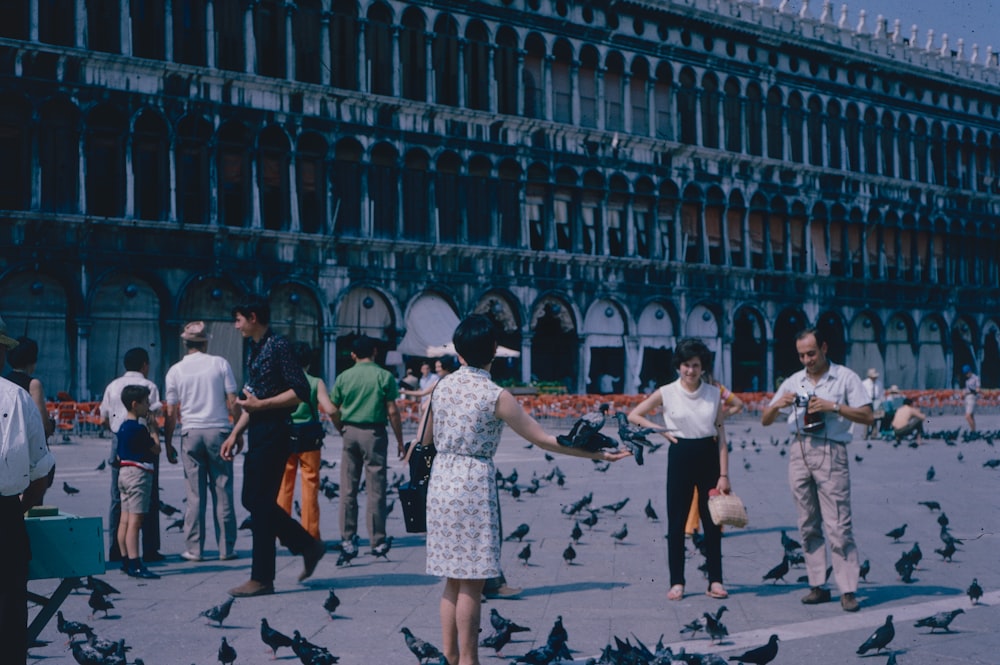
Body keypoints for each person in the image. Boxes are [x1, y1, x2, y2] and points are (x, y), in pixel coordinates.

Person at [422, 314, 630, 665]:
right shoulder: (495, 395)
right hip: (472, 483)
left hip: (442, 480)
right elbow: (545, 439)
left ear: (458, 353)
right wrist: (597, 454)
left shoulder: (440, 387)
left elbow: (424, 440)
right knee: (472, 582)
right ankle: (470, 662)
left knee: (451, 581)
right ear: (493, 351)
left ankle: (450, 657)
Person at [761, 327, 873, 613]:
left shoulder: (845, 377)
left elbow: (867, 415)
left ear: (824, 348)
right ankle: (817, 585)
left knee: (838, 523)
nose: (807, 360)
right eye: (801, 355)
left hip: (831, 449)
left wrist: (833, 406)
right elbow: (765, 419)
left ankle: (848, 589)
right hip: (800, 450)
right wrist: (780, 405)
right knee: (807, 522)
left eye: (811, 353)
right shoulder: (794, 381)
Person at [221, 295, 326, 597]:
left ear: (253, 317)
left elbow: (301, 391)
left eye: (239, 318)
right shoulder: (256, 349)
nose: (236, 324)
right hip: (258, 429)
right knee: (255, 501)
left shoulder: (278, 346)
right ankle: (307, 545)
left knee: (259, 502)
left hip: (276, 432)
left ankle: (263, 577)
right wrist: (234, 433)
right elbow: (250, 401)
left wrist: (261, 405)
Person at [628, 338, 731, 602]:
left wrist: (723, 474)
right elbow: (635, 415)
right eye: (686, 365)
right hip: (680, 455)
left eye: (695, 365)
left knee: (712, 524)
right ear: (678, 366)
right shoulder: (667, 391)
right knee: (676, 523)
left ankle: (715, 580)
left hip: (708, 455)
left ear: (702, 367)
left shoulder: (713, 393)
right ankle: (677, 582)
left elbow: (721, 435)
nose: (690, 371)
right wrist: (662, 432)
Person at [0, 319, 56, 665]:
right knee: (8, 610)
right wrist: (20, 509)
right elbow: (42, 469)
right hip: (5, 515)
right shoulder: (15, 397)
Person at [163, 321, 240, 562]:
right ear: (206, 341)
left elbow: (171, 412)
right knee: (223, 491)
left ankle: (194, 549)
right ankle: (226, 548)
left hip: (192, 433)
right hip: (219, 431)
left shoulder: (175, 370)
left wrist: (168, 443)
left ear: (185, 343)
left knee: (195, 495)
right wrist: (237, 431)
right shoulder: (220, 363)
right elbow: (233, 402)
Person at [329, 335, 404, 556]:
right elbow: (392, 411)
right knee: (376, 489)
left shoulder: (344, 377)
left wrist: (340, 428)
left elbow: (332, 409)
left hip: (349, 432)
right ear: (375, 352)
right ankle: (377, 540)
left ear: (353, 355)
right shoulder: (384, 376)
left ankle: (347, 538)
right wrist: (400, 440)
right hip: (375, 433)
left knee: (348, 488)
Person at [100, 347, 174, 563]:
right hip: (143, 439)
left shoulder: (112, 386)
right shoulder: (148, 386)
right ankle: (150, 548)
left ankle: (116, 549)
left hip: (119, 440)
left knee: (118, 497)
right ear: (145, 365)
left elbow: (104, 417)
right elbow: (156, 412)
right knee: (149, 494)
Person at [277, 342, 335, 541]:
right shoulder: (315, 381)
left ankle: (283, 531)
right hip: (309, 437)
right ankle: (310, 532)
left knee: (284, 484)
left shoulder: (283, 381)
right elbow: (329, 408)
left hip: (285, 435)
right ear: (309, 361)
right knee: (310, 484)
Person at [115, 385, 162, 579]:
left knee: (124, 519)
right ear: (135, 404)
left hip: (124, 473)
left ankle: (125, 559)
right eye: (146, 402)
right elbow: (156, 449)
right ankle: (136, 562)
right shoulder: (139, 429)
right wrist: (153, 429)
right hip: (138, 475)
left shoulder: (123, 427)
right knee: (136, 521)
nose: (148, 406)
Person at [685, 379, 742, 537]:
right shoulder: (717, 388)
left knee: (697, 487)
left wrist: (720, 415)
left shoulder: (693, 387)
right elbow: (738, 404)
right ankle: (717, 524)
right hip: (714, 442)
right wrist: (721, 416)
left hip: (699, 442)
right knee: (714, 487)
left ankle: (691, 527)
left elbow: (739, 404)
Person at [6, 336, 56, 503]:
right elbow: (43, 424)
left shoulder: (4, 382)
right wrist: (52, 425)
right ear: (32, 360)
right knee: (32, 505)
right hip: (28, 455)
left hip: (7, 454)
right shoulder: (33, 384)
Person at [861, 369, 884, 439]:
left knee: (875, 418)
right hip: (868, 401)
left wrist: (880, 401)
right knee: (867, 417)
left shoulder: (879, 383)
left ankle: (874, 434)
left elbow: (880, 393)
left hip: (876, 401)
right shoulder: (864, 383)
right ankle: (865, 434)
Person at [962, 365, 980, 432]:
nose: (966, 375)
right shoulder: (967, 380)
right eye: (965, 373)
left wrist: (973, 390)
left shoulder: (975, 378)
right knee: (971, 416)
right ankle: (974, 430)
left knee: (967, 416)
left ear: (970, 371)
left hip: (972, 397)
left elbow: (978, 389)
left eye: (967, 373)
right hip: (967, 398)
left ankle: (973, 431)